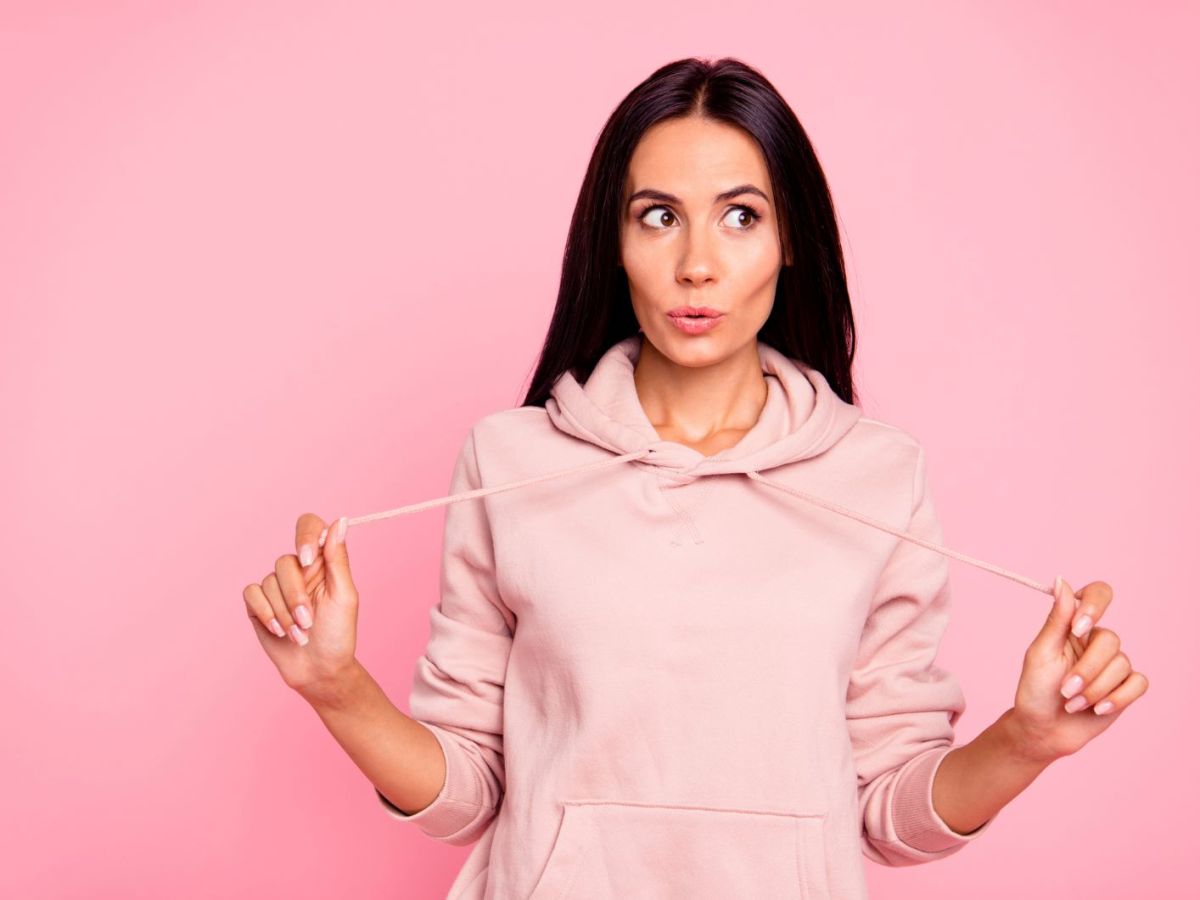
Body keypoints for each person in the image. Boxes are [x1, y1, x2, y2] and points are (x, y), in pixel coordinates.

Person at [242, 57, 1149, 899]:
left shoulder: (878, 476)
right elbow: (471, 789)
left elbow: (886, 802)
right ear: (617, 239)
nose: (697, 264)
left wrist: (1026, 741)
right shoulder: (509, 461)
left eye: (741, 215)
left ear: (792, 240)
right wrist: (335, 684)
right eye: (659, 215)